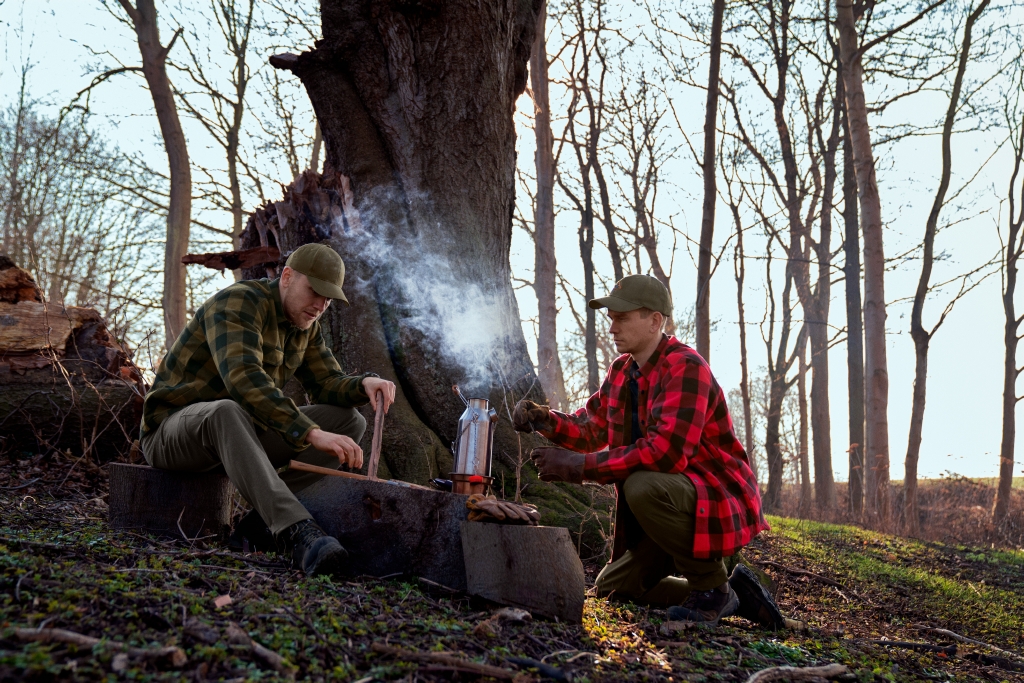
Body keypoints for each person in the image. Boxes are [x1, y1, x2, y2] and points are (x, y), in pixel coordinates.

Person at [513, 274, 779, 626]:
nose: (612, 328)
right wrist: (545, 420)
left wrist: (579, 467)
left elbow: (665, 454)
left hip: (713, 512)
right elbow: (592, 429)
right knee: (611, 589)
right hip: (670, 514)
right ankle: (737, 597)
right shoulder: (622, 371)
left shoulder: (686, 367)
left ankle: (713, 587)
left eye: (622, 318)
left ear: (655, 320)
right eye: (612, 319)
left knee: (641, 484)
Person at [141, 243, 396, 577]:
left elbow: (326, 382)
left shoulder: (306, 326)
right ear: (287, 277)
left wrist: (363, 384)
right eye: (314, 292)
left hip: (239, 435)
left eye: (328, 298)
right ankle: (296, 532)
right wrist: (309, 432)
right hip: (174, 434)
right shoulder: (238, 303)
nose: (320, 305)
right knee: (225, 411)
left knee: (347, 421)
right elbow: (244, 380)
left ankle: (257, 528)